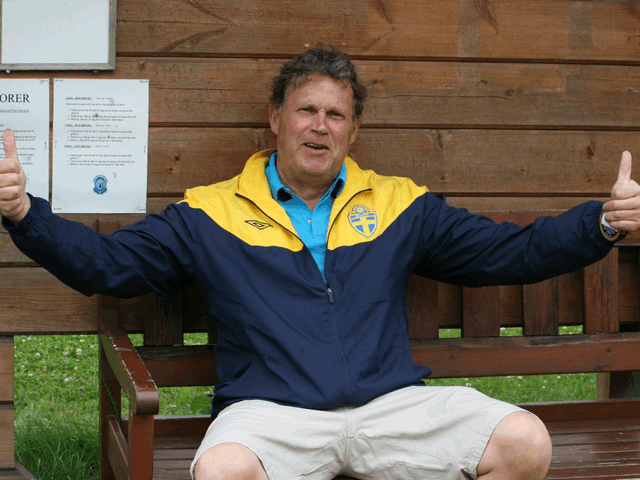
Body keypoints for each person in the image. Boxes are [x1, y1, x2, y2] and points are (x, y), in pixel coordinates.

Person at [1, 47, 640, 480]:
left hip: (390, 406)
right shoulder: (210, 213)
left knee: (525, 442)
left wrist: (602, 222)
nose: (320, 126)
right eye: (306, 110)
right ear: (276, 119)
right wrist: (25, 212)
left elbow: (510, 250)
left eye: (336, 115)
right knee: (221, 472)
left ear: (353, 132)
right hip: (271, 412)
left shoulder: (398, 205)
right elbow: (107, 265)